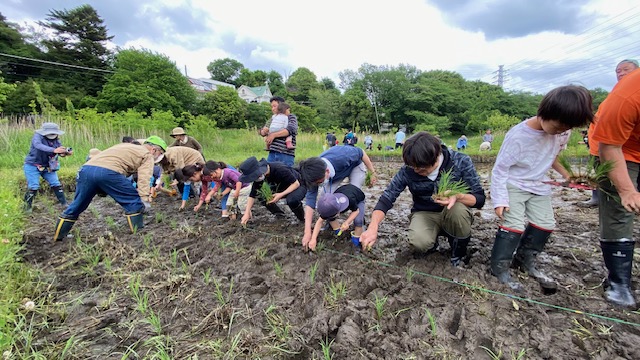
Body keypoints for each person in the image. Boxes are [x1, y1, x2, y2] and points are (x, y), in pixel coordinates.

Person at [489, 85, 594, 292]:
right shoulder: (519, 136)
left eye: (566, 128)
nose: (561, 132)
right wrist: (500, 199)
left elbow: (553, 157)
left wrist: (568, 177)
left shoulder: (562, 133)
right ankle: (499, 268)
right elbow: (500, 170)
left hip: (539, 184)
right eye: (557, 127)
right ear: (544, 113)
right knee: (514, 225)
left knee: (545, 224)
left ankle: (524, 260)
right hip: (514, 184)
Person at [360, 132, 486, 267]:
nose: (415, 170)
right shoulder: (408, 170)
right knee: (419, 242)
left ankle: (458, 253)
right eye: (412, 166)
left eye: (420, 168)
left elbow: (480, 199)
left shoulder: (460, 161)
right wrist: (373, 227)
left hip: (453, 211)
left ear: (436, 156)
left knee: (458, 211)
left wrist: (459, 196)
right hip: (425, 213)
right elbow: (387, 198)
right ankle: (431, 244)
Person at [590, 67, 640, 308]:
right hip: (621, 150)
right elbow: (609, 147)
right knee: (620, 210)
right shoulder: (628, 95)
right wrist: (627, 189)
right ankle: (619, 283)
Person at [53, 136, 167, 240]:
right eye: (160, 153)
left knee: (77, 204)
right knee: (133, 200)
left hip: (85, 170)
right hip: (108, 172)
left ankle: (59, 236)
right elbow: (144, 178)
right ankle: (138, 235)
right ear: (154, 150)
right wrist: (144, 199)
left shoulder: (123, 146)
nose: (159, 156)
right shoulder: (147, 155)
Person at [581, 58, 639, 208]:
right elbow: (609, 147)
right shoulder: (625, 97)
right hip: (615, 148)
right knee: (619, 204)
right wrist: (627, 191)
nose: (621, 73)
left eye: (626, 69)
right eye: (618, 71)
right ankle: (599, 197)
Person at [298, 145, 377, 250]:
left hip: (354, 167)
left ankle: (359, 223)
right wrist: (307, 232)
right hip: (335, 175)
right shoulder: (313, 176)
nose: (318, 185)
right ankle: (332, 221)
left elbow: (361, 152)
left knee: (354, 194)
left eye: (319, 182)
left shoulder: (342, 156)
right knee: (325, 198)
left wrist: (372, 172)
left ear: (326, 171)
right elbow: (310, 202)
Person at [238, 157, 306, 224]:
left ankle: (302, 218)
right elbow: (252, 195)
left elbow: (296, 184)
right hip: (280, 189)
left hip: (297, 185)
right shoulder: (259, 178)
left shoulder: (280, 169)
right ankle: (279, 214)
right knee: (262, 196)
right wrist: (246, 213)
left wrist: (280, 194)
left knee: (292, 200)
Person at [24, 122, 73, 213]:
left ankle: (64, 204)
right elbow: (38, 146)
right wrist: (54, 150)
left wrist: (64, 153)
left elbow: (58, 151)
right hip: (33, 165)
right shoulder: (38, 137)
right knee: (33, 186)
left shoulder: (56, 140)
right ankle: (27, 207)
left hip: (48, 166)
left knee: (56, 184)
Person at [309, 184, 366, 251]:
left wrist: (347, 222)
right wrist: (313, 239)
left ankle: (356, 243)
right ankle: (338, 233)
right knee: (330, 217)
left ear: (338, 211)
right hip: (343, 194)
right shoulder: (328, 206)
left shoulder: (351, 200)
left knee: (358, 221)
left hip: (358, 199)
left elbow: (356, 211)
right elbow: (319, 221)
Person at [260, 96, 298, 167]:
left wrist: (274, 135)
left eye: (275, 106)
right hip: (272, 152)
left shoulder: (290, 117)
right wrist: (264, 131)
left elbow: (291, 129)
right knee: (270, 174)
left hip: (285, 153)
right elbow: (263, 131)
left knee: (286, 174)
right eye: (272, 107)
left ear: (281, 106)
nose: (273, 109)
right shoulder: (273, 118)